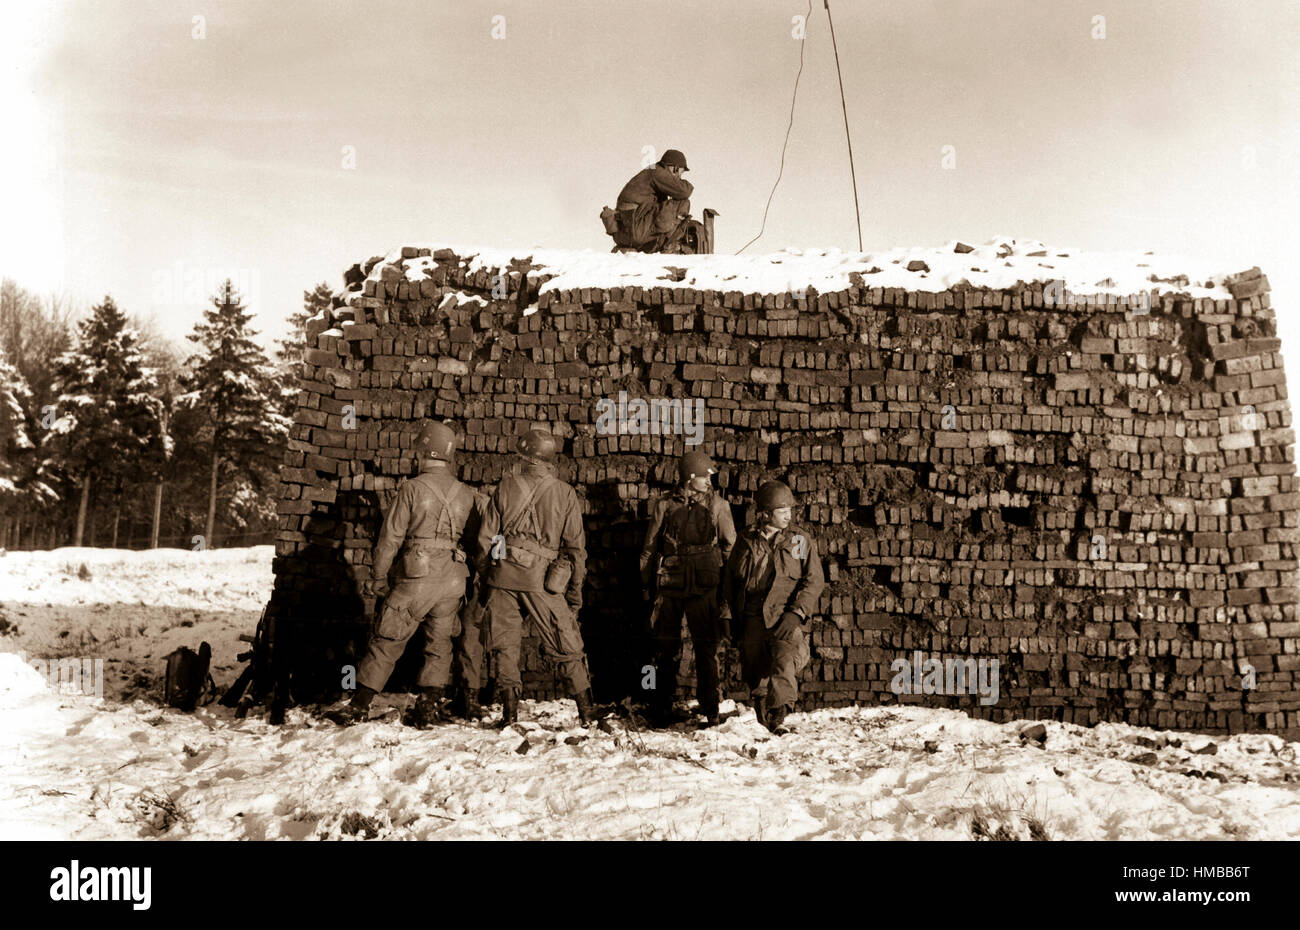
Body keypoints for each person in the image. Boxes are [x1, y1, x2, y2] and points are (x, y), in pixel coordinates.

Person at [328, 421, 478, 728]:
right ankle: (427, 708)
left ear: (425, 451)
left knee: (388, 638)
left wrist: (378, 577)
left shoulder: (412, 489)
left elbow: (390, 540)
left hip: (416, 575)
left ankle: (358, 705)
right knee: (440, 644)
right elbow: (477, 539)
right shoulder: (467, 493)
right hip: (453, 578)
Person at [477, 427, 595, 726]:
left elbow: (485, 540)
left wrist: (486, 575)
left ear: (524, 456)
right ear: (549, 459)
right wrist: (574, 595)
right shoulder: (564, 493)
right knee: (566, 643)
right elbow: (576, 550)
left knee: (505, 646)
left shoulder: (505, 486)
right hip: (542, 581)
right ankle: (586, 712)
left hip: (503, 577)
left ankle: (510, 715)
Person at [639, 450, 736, 726]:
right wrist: (646, 586)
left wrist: (728, 596)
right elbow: (649, 550)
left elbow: (731, 551)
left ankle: (711, 710)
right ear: (689, 478)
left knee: (707, 649)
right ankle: (660, 707)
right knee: (663, 649)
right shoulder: (663, 506)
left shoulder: (719, 506)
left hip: (704, 587)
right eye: (704, 476)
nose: (709, 481)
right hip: (669, 585)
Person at [721, 479, 825, 734]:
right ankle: (763, 712)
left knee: (784, 660)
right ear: (766, 513)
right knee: (755, 666)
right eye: (782, 511)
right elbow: (730, 581)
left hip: (784, 614)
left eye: (790, 510)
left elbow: (814, 580)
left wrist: (796, 613)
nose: (788, 515)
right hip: (752, 614)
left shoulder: (800, 540)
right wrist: (726, 616)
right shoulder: (746, 540)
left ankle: (782, 713)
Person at [603, 149, 695, 252]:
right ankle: (670, 246)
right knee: (682, 202)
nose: (679, 177)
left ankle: (647, 246)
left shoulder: (651, 172)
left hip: (624, 234)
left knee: (662, 207)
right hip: (636, 230)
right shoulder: (657, 172)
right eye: (680, 173)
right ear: (676, 169)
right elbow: (685, 191)